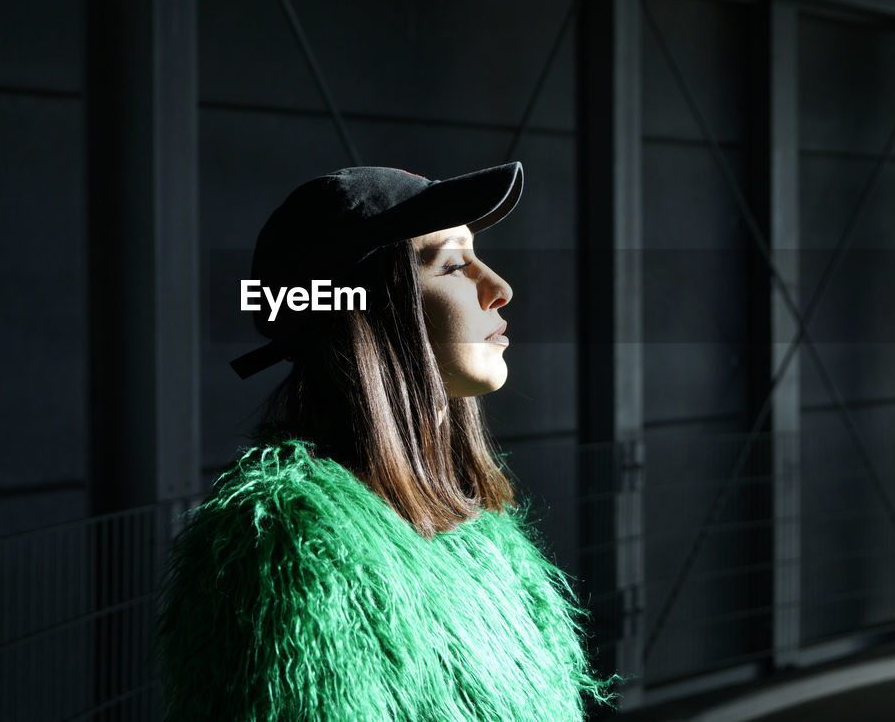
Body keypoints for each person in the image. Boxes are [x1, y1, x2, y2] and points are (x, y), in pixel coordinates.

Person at [154, 162, 619, 720]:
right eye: (452, 265)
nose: (499, 288)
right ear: (364, 308)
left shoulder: (469, 524)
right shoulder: (295, 552)